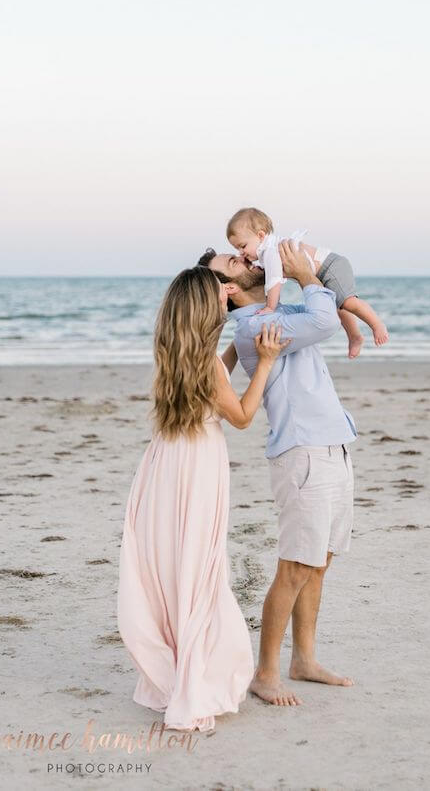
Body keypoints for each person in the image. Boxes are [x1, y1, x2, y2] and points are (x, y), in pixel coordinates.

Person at [117, 266, 289, 731]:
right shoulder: (206, 363)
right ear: (203, 307)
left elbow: (215, 377)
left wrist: (237, 347)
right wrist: (267, 359)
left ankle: (173, 663)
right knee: (199, 563)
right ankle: (197, 674)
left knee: (175, 562)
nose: (227, 300)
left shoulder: (177, 351)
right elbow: (241, 415)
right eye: (220, 296)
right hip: (197, 466)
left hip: (166, 463)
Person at [198, 240, 357, 707]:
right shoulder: (259, 327)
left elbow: (327, 301)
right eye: (235, 261)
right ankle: (266, 672)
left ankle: (303, 659)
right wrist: (307, 274)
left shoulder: (274, 311)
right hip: (304, 452)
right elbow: (326, 319)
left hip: (333, 443)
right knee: (296, 565)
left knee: (320, 559)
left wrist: (309, 269)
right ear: (228, 288)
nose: (248, 259)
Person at [225, 206, 389, 358]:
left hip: (329, 266)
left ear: (260, 235)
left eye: (243, 246)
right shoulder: (265, 251)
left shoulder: (269, 251)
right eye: (237, 249)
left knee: (349, 303)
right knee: (338, 306)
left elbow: (275, 281)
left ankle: (376, 324)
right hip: (325, 269)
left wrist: (270, 306)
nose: (241, 252)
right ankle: (354, 336)